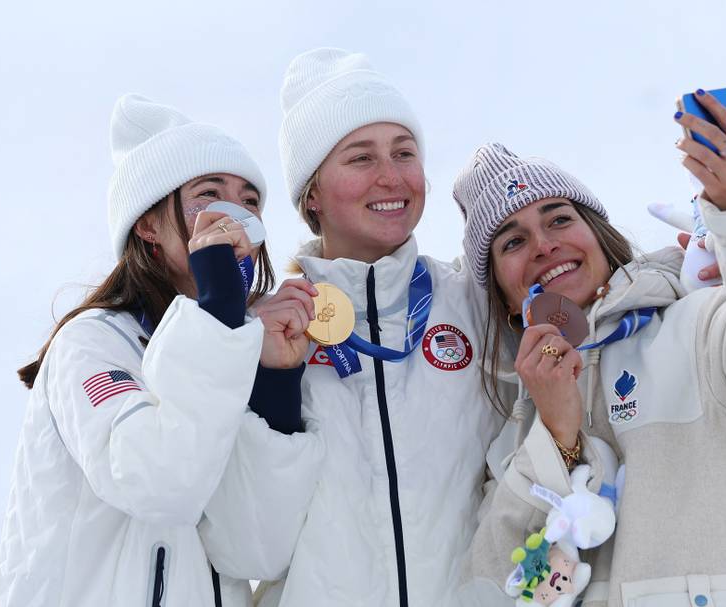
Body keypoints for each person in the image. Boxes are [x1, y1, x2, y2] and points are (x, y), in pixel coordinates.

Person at [455, 93, 726, 606]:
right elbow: (496, 595)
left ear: (600, 236)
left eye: (560, 218)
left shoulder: (700, 328)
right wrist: (556, 436)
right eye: (512, 242)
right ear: (503, 298)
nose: (544, 244)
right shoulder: (509, 444)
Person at [0, 94, 319, 607]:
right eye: (208, 195)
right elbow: (160, 484)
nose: (235, 214)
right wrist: (221, 320)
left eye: (250, 201)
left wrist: (274, 381)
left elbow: (259, 551)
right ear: (147, 226)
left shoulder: (231, 348)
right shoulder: (93, 342)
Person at [211, 48, 505, 607]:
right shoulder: (263, 333)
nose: (391, 176)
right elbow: (247, 545)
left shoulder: (476, 302)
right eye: (361, 158)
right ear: (311, 193)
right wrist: (275, 380)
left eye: (404, 153)